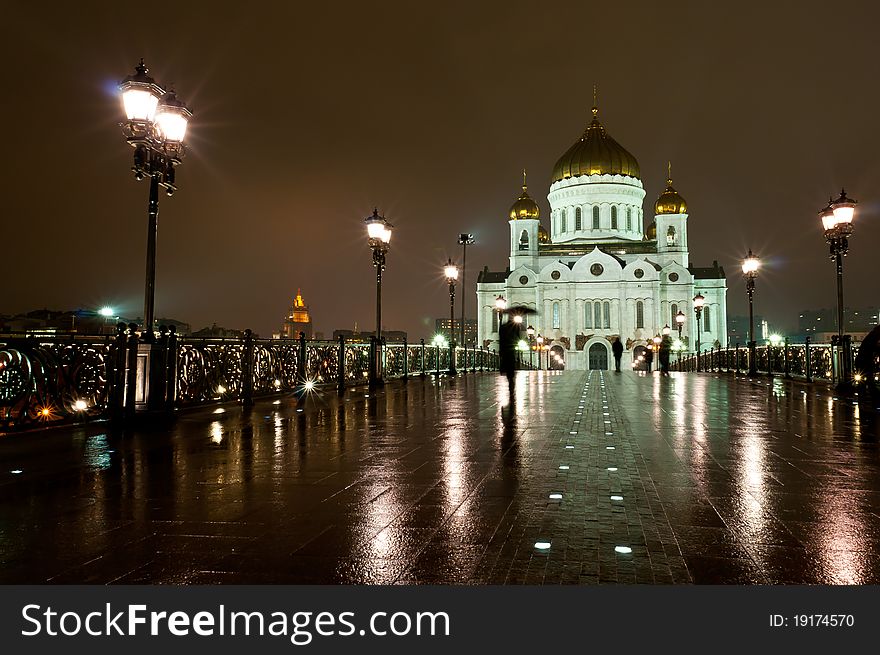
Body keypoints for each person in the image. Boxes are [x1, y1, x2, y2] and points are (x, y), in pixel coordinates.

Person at [498, 315, 522, 402]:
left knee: (508, 370)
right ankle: (511, 387)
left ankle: (511, 385)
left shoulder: (503, 327)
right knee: (511, 370)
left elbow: (500, 339)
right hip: (511, 351)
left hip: (505, 350)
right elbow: (518, 339)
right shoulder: (515, 328)